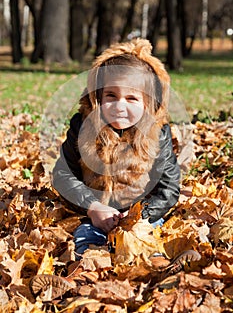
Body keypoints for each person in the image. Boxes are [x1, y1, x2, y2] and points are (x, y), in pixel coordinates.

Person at [52, 38, 184, 262]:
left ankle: (153, 266)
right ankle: (91, 269)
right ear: (97, 97)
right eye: (110, 96)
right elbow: (63, 174)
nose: (119, 106)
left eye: (132, 98)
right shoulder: (83, 126)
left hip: (142, 217)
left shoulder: (157, 134)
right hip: (94, 214)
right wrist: (92, 207)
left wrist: (140, 215)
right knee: (84, 240)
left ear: (148, 104)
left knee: (148, 241)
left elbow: (169, 187)